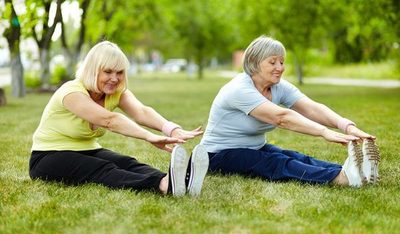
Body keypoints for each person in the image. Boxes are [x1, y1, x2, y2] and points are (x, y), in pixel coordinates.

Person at [29, 41, 209, 197]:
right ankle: (162, 185)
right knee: (103, 169)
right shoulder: (71, 92)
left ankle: (175, 180)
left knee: (127, 162)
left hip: (86, 149)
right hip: (48, 157)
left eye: (119, 72)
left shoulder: (115, 92)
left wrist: (171, 129)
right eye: (108, 72)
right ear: (93, 71)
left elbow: (141, 111)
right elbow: (109, 120)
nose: (114, 78)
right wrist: (148, 136)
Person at [200, 35, 380, 188]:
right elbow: (282, 118)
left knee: (294, 157)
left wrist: (347, 126)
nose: (280, 67)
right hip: (216, 156)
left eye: (281, 62)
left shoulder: (278, 86)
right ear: (254, 63)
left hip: (253, 147)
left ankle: (352, 172)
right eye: (273, 62)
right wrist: (324, 132)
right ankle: (340, 178)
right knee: (276, 163)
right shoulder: (239, 89)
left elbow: (311, 108)